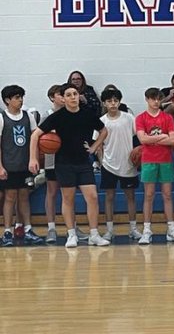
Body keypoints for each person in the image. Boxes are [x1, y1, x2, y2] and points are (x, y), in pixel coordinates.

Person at [29, 83, 109, 248]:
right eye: (69, 95)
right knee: (68, 199)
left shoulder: (88, 114)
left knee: (92, 197)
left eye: (75, 94)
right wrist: (33, 158)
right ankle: (71, 234)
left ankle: (94, 234)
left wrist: (94, 147)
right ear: (63, 99)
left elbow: (104, 131)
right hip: (64, 163)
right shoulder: (57, 117)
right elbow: (36, 135)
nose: (73, 97)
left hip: (83, 162)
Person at [134, 87, 174, 245]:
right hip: (148, 160)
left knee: (167, 195)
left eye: (158, 99)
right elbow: (142, 140)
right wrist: (162, 136)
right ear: (147, 99)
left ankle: (171, 229)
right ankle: (147, 230)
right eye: (152, 98)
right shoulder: (141, 118)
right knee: (149, 195)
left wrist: (153, 138)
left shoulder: (167, 118)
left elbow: (173, 140)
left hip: (165, 160)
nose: (156, 102)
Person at [90, 85, 138, 242]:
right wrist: (101, 160)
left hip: (128, 164)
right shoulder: (101, 121)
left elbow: (137, 138)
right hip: (109, 164)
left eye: (115, 101)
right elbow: (97, 144)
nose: (113, 103)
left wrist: (137, 157)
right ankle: (109, 230)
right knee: (109, 197)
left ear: (119, 102)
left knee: (130, 197)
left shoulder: (129, 118)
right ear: (104, 103)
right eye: (109, 101)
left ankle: (133, 229)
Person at [1, 85, 42, 245]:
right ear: (7, 100)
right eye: (17, 97)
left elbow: (35, 139)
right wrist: (0, 167)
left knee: (24, 196)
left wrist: (35, 159)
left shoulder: (28, 116)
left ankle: (27, 229)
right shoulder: (2, 118)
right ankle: (7, 232)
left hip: (25, 165)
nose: (20, 100)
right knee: (10, 197)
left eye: (21, 97)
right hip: (9, 165)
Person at [42, 83, 64, 243]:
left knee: (68, 195)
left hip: (69, 160)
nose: (63, 98)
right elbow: (40, 140)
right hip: (52, 161)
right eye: (60, 95)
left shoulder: (70, 114)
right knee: (51, 193)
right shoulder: (47, 116)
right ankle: (51, 228)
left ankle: (73, 225)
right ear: (52, 98)